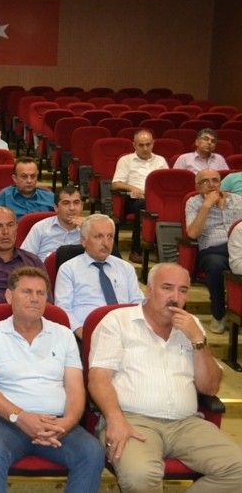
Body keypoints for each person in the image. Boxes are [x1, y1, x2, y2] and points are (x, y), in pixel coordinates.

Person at [88, 262, 242, 492]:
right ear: (149, 290)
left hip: (186, 424)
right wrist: (114, 418)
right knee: (140, 476)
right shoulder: (117, 321)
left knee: (238, 469)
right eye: (167, 288)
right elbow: (98, 379)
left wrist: (198, 340)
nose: (175, 297)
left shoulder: (192, 327)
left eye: (183, 290)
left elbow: (210, 387)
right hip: (132, 421)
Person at [0, 267, 104, 493]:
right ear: (9, 296)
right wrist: (20, 417)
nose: (35, 298)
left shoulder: (63, 334)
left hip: (56, 424)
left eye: (41, 293)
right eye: (27, 292)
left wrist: (66, 423)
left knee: (92, 452)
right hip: (7, 421)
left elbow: (75, 388)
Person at [55, 214, 144, 338]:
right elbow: (63, 309)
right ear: (83, 241)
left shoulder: (126, 268)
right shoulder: (68, 269)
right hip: (88, 332)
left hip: (126, 332)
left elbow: (138, 302)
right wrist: (83, 334)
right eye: (98, 237)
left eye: (110, 237)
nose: (106, 243)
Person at [185, 168, 242, 333]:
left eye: (215, 180)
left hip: (238, 246)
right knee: (215, 265)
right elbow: (193, 234)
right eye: (205, 181)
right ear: (197, 187)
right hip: (213, 250)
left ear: (221, 183)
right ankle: (218, 315)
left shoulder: (238, 200)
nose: (211, 185)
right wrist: (206, 206)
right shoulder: (193, 203)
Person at [111, 130, 169, 263]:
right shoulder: (126, 160)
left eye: (148, 144)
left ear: (153, 144)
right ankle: (136, 251)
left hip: (156, 199)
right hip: (133, 200)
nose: (145, 148)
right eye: (141, 145)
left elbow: (166, 183)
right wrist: (132, 188)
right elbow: (115, 184)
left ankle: (164, 250)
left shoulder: (160, 160)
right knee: (141, 206)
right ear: (134, 145)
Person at [20, 185, 84, 262]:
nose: (72, 208)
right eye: (66, 203)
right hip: (44, 268)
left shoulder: (90, 229)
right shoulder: (40, 228)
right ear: (56, 208)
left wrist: (87, 229)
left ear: (82, 206)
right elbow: (25, 259)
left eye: (76, 203)